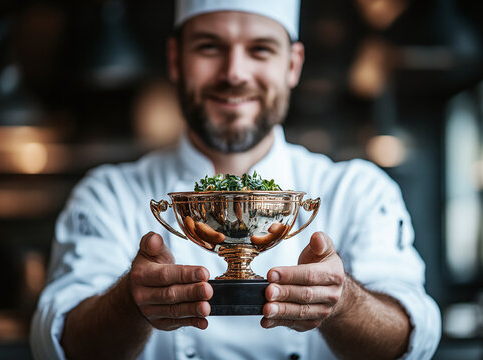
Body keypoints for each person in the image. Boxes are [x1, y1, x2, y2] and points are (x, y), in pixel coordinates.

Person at [30, 0, 441, 359]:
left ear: (292, 65)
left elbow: (411, 339)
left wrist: (343, 302)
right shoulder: (107, 195)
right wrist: (128, 303)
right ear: (175, 60)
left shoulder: (357, 190)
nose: (234, 73)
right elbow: (58, 344)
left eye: (260, 49)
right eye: (210, 47)